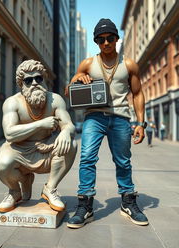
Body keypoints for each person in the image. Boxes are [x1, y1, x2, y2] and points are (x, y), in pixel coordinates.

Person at [65, 18, 148, 228]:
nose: (105, 43)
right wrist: (76, 79)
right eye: (100, 39)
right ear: (96, 42)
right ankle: (85, 205)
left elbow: (137, 94)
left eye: (110, 38)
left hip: (121, 117)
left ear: (116, 39)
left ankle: (128, 202)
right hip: (94, 116)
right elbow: (69, 92)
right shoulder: (87, 64)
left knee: (123, 161)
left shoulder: (128, 64)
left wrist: (141, 123)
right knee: (86, 158)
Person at [0, 60, 77, 213]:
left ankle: (50, 189)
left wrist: (65, 131)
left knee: (71, 144)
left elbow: (69, 124)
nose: (34, 83)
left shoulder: (55, 100)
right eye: (28, 80)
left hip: (46, 147)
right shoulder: (12, 103)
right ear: (21, 84)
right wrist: (40, 124)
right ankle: (15, 191)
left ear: (44, 79)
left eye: (38, 78)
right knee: (2, 164)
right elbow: (9, 133)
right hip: (18, 148)